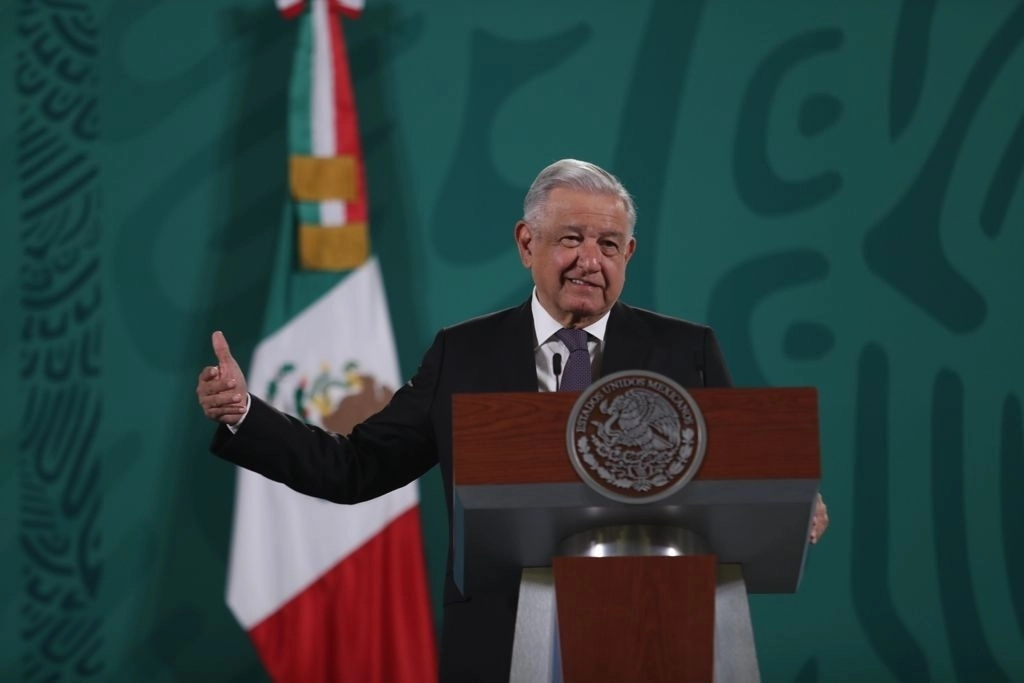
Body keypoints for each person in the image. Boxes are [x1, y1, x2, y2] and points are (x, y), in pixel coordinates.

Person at [197, 159, 829, 681]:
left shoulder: (686, 351)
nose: (590, 260)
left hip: (657, 637)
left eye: (609, 245)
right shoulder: (462, 353)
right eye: (571, 239)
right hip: (500, 645)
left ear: (629, 253)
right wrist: (246, 415)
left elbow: (735, 474)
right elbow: (356, 468)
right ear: (527, 243)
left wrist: (787, 500)